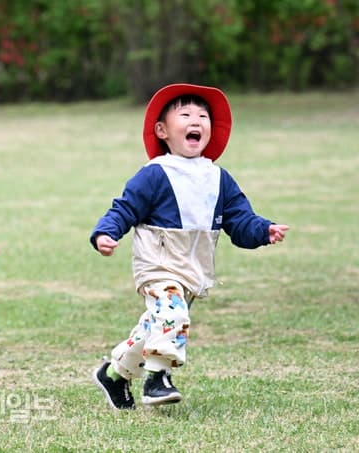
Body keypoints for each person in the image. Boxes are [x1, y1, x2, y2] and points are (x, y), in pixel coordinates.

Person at [90, 83, 289, 410]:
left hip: (193, 270)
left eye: (202, 116)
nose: (196, 119)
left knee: (156, 326)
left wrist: (262, 230)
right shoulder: (154, 174)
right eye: (185, 114)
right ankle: (157, 379)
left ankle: (114, 374)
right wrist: (104, 233)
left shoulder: (218, 178)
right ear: (162, 130)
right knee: (172, 314)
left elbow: (239, 219)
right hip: (158, 266)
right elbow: (123, 208)